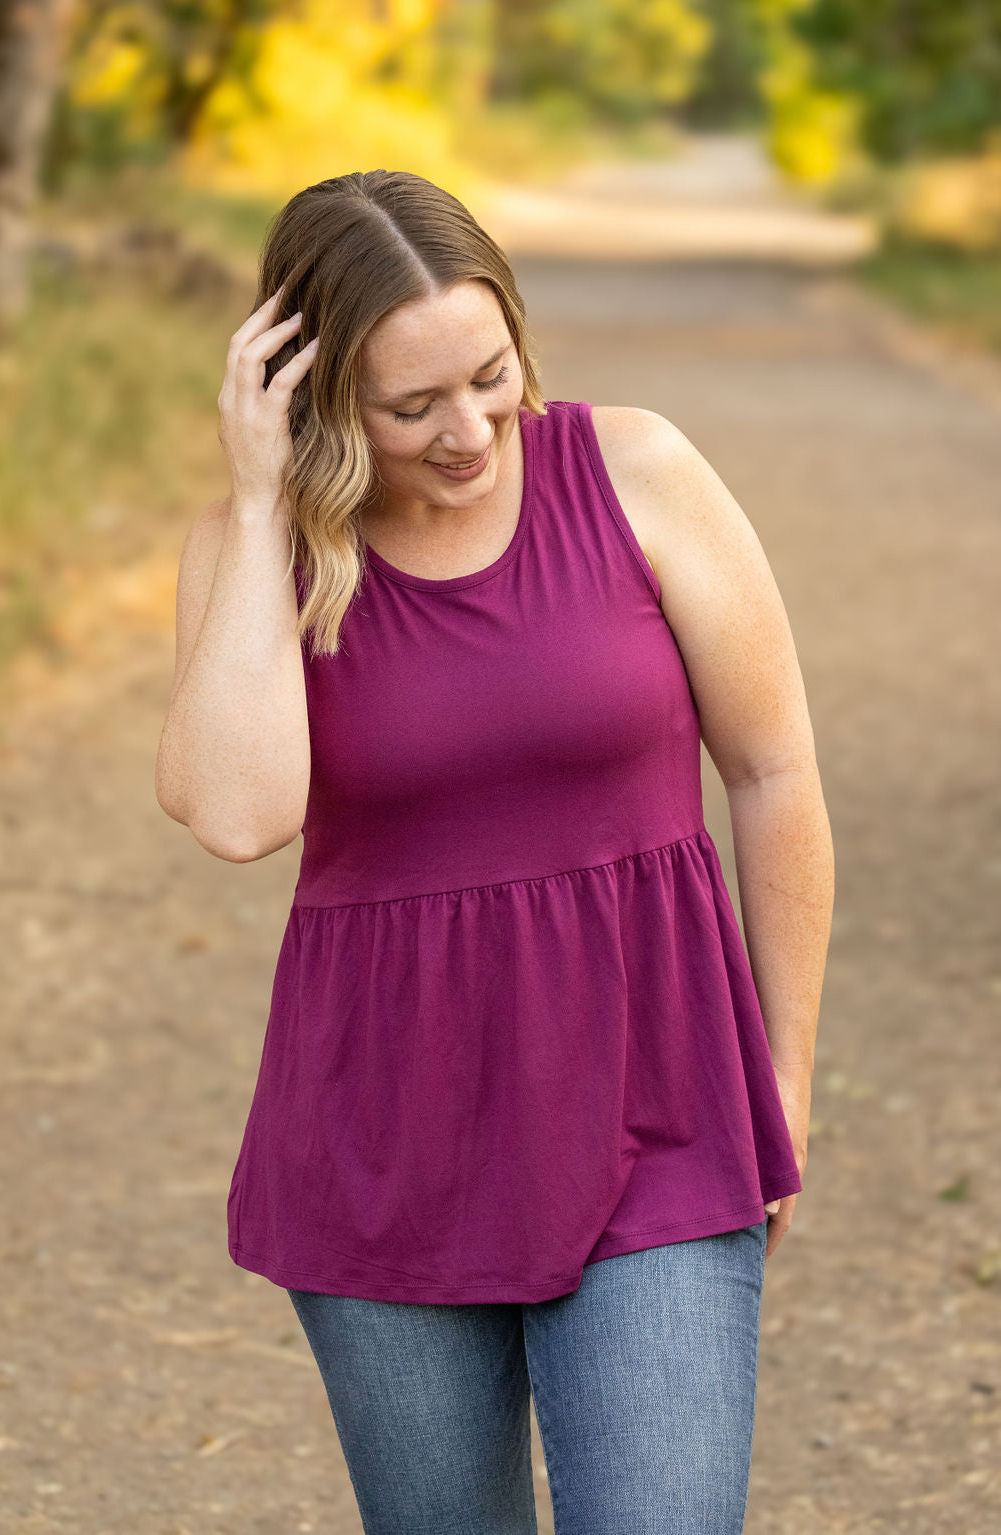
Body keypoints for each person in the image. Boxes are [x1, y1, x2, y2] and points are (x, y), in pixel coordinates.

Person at [155, 169, 834, 1534]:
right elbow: (236, 814)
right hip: (381, 1146)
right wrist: (254, 500)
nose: (469, 431)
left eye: (489, 373)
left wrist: (784, 1079)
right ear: (318, 394)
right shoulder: (260, 557)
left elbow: (773, 773)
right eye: (411, 406)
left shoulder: (635, 471)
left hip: (663, 1111)